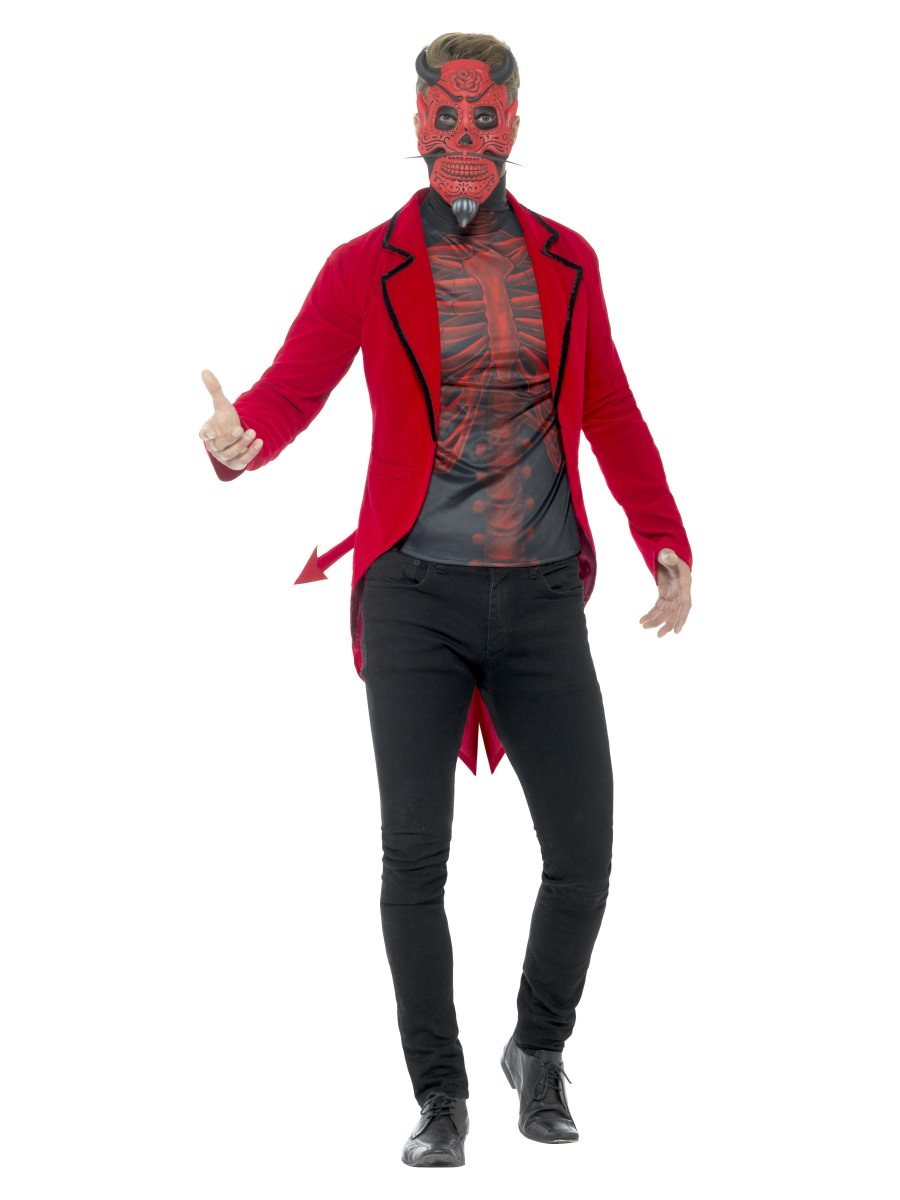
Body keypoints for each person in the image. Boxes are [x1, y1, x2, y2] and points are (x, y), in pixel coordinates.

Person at [198, 31, 693, 1168]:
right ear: (416, 123)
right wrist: (238, 440)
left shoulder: (570, 261)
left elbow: (609, 407)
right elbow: (290, 391)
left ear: (516, 125)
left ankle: (539, 1048)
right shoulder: (362, 267)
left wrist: (663, 537)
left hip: (540, 595)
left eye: (486, 118)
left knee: (584, 853)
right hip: (414, 595)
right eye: (446, 118)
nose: (466, 137)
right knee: (414, 861)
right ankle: (440, 1094)